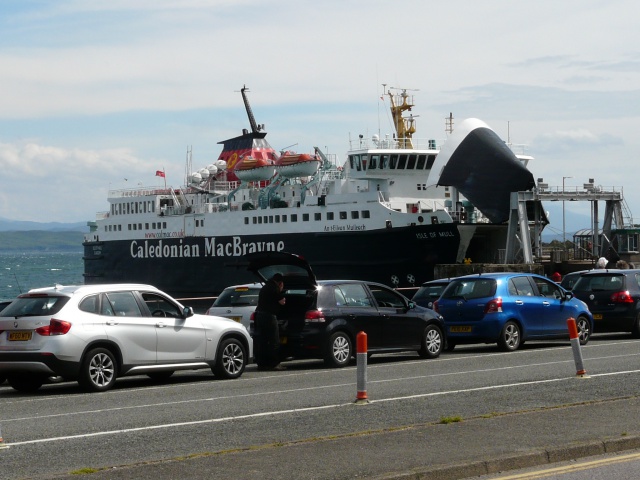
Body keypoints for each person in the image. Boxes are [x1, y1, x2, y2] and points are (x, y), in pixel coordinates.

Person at [253, 273, 286, 371]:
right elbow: (282, 302)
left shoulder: (265, 288)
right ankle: (274, 364)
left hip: (259, 315)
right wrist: (281, 291)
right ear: (280, 283)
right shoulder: (274, 288)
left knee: (262, 341)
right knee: (274, 341)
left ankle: (262, 364)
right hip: (269, 316)